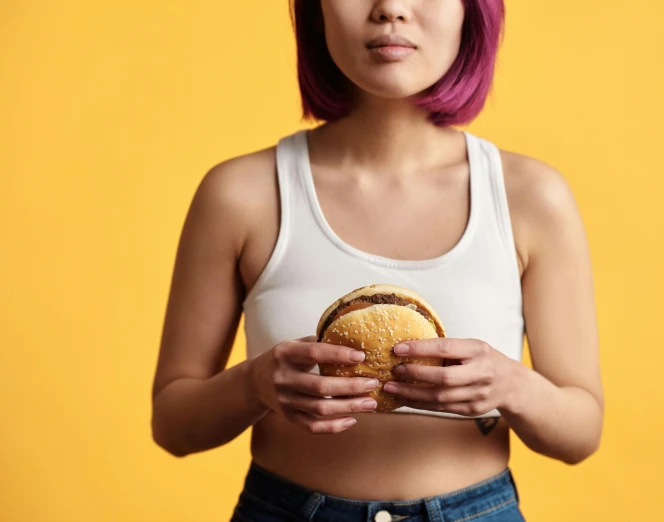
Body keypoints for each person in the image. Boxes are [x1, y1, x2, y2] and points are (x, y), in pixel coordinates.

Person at [151, 1, 604, 520]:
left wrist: (509, 385)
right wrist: (255, 384)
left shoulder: (531, 197)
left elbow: (581, 432)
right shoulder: (240, 195)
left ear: (471, 12)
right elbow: (173, 424)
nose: (390, 8)